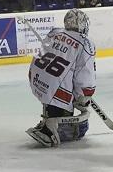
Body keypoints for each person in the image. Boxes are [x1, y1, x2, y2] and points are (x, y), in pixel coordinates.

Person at [26, 8, 96, 147]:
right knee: (82, 128)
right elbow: (84, 74)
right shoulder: (85, 43)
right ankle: (51, 129)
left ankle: (48, 118)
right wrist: (85, 95)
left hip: (36, 80)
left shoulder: (54, 33)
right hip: (58, 91)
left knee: (53, 85)